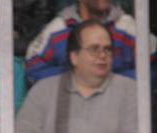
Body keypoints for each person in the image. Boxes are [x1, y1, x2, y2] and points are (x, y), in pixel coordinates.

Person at [15, 20, 138, 133]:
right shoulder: (43, 89)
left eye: (107, 49)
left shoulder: (129, 88)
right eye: (94, 49)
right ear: (74, 57)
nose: (102, 55)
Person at [25, 0, 156, 85]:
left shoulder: (128, 27)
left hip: (119, 113)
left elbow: (153, 67)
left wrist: (112, 82)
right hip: (71, 114)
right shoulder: (57, 29)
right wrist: (75, 79)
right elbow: (32, 68)